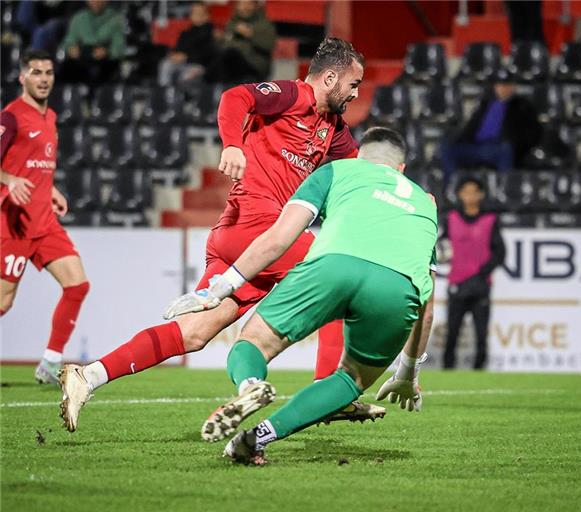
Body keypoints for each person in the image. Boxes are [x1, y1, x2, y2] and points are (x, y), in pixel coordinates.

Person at [57, 37, 381, 435]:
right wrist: (233, 146)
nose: (356, 92)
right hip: (254, 223)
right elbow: (234, 98)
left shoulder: (332, 128)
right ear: (330, 77)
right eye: (353, 83)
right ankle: (328, 392)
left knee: (195, 333)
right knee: (338, 274)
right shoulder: (291, 95)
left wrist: (401, 191)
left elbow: (363, 175)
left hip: (238, 237)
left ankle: (87, 377)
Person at [157, 127, 437, 465]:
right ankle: (257, 437)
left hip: (333, 266)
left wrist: (220, 288)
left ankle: (250, 386)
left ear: (359, 157)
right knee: (349, 381)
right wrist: (408, 374)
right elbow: (428, 304)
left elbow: (279, 237)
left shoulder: (337, 170)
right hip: (397, 288)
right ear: (401, 168)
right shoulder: (426, 203)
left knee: (253, 343)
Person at [0, 49, 90, 384]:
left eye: (48, 73)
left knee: (77, 285)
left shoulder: (49, 117)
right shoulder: (11, 116)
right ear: (22, 77)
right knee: (4, 302)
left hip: (44, 221)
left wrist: (49, 189)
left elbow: (37, 163)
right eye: (36, 72)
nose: (43, 79)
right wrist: (9, 180)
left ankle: (50, 364)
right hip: (14, 223)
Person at [441, 177, 505, 370]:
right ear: (459, 194)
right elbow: (443, 245)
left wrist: (482, 272)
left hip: (480, 284)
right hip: (457, 283)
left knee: (481, 332)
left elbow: (500, 252)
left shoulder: (490, 220)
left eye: (474, 192)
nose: (469, 196)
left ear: (481, 195)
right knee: (452, 332)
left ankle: (479, 369)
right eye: (465, 192)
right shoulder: (451, 218)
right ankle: (448, 368)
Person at [439, 69, 541, 182]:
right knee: (448, 147)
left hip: (500, 149)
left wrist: (514, 144)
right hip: (476, 147)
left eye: (506, 85)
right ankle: (453, 187)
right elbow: (470, 128)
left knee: (505, 150)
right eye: (500, 85)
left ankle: (505, 189)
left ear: (513, 86)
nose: (502, 88)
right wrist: (460, 139)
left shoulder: (522, 106)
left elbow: (533, 133)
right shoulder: (485, 104)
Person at [206, 0, 276, 84]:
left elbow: (269, 45)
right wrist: (219, 39)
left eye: (248, 4)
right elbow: (224, 44)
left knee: (230, 54)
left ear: (255, 6)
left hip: (253, 66)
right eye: (241, 4)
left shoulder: (264, 24)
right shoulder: (232, 23)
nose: (245, 7)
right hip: (229, 66)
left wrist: (251, 35)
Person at [57, 0, 125, 85]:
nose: (95, 2)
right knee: (64, 69)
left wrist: (107, 52)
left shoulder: (116, 20)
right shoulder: (78, 18)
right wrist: (70, 49)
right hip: (80, 62)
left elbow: (119, 47)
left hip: (105, 64)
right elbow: (67, 43)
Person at [157, 2, 216, 87]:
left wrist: (186, 57)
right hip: (182, 64)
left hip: (200, 66)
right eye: (194, 12)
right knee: (165, 64)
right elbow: (177, 48)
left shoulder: (211, 33)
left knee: (186, 76)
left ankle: (183, 97)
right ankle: (165, 93)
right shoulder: (186, 33)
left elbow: (208, 54)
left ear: (207, 15)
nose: (197, 15)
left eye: (200, 12)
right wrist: (173, 55)